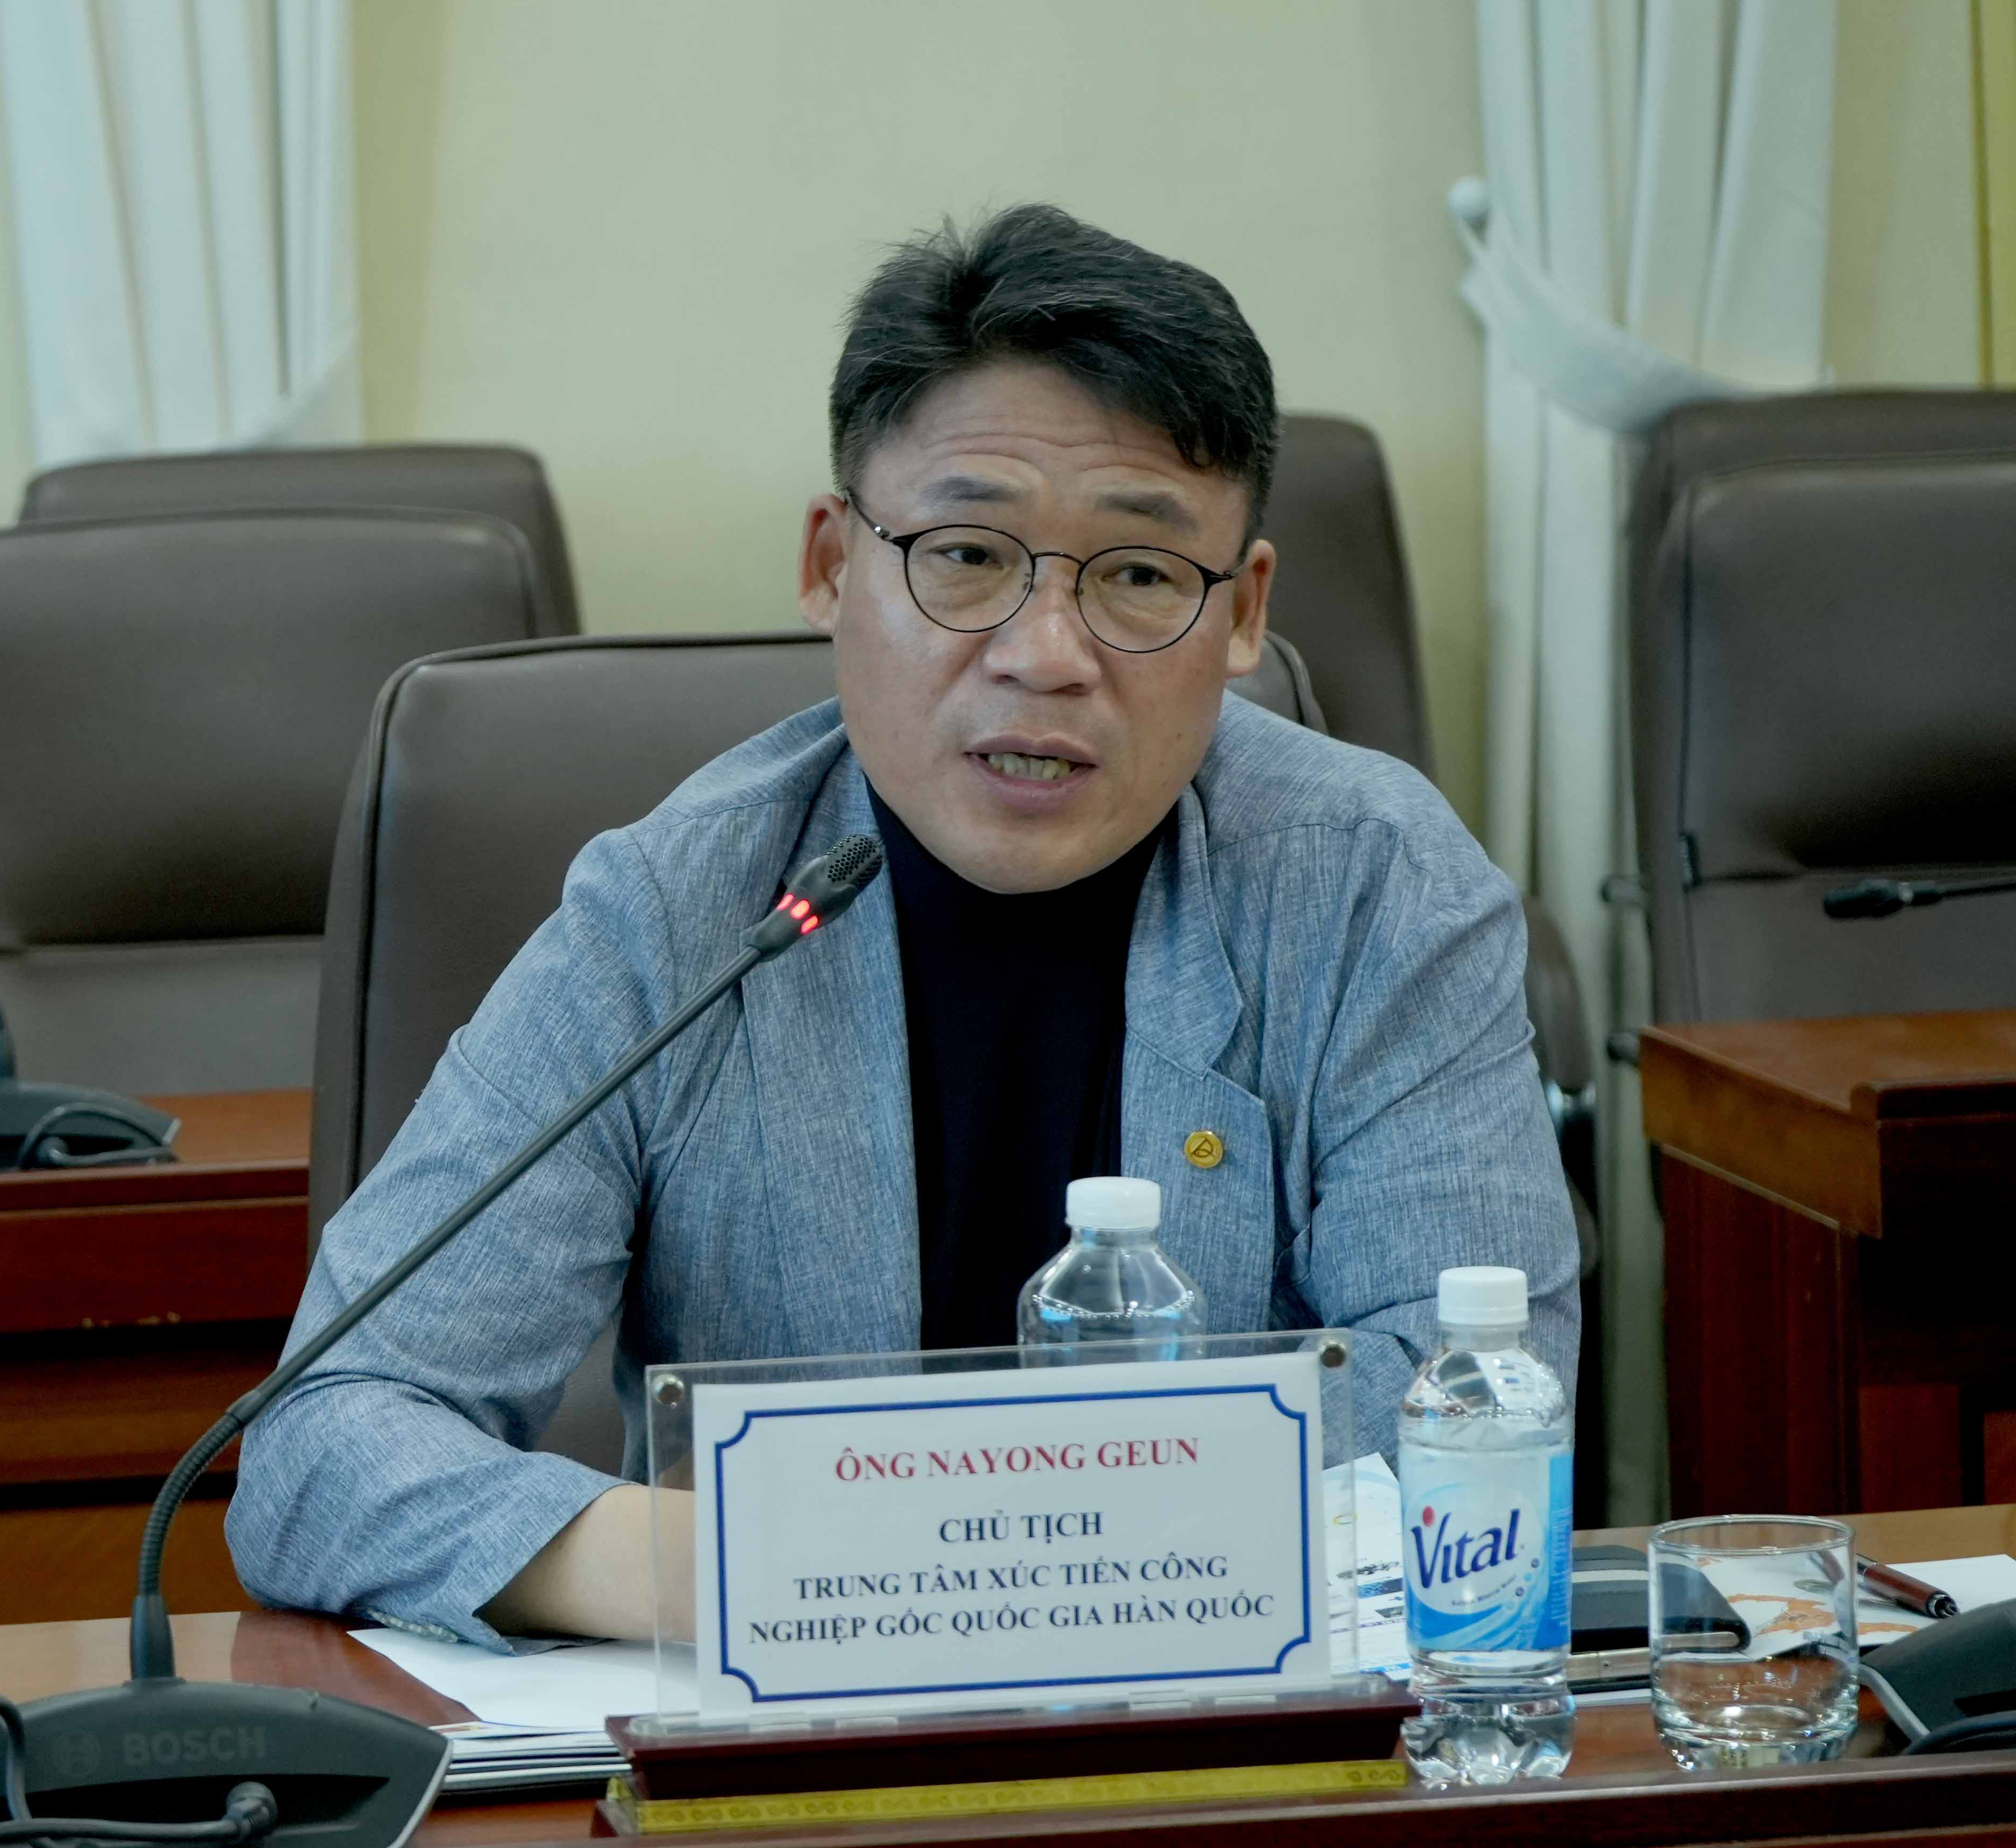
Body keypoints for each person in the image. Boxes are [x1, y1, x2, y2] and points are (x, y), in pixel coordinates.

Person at [226, 205, 1579, 1646]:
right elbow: (322, 1445)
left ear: (1243, 614)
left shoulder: (1374, 887)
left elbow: (1477, 1402)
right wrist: (765, 1567)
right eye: (967, 554)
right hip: (787, 1736)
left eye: (1138, 575)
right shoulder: (680, 915)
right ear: (831, 566)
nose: (1045, 657)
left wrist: (951, 1555)